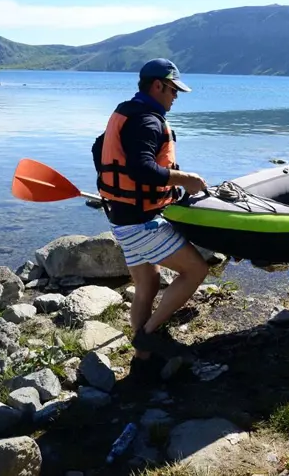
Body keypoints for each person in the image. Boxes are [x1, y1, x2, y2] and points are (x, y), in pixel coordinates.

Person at [93, 58, 210, 367]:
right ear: (157, 86)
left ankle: (143, 358)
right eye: (173, 90)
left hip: (121, 216)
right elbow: (141, 168)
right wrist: (186, 180)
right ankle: (149, 333)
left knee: (148, 283)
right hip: (140, 222)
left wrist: (121, 191)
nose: (175, 97)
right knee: (196, 270)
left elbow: (98, 148)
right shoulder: (147, 120)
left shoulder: (127, 112)